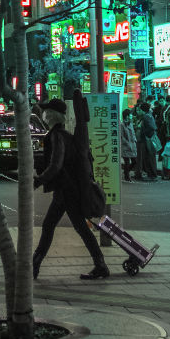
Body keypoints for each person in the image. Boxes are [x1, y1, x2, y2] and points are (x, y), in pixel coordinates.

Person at [32, 97, 109, 282]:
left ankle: (34, 265)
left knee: (62, 226)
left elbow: (56, 164)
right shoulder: (64, 134)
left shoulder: (56, 136)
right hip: (67, 190)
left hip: (66, 191)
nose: (43, 114)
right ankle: (35, 265)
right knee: (72, 227)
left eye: (45, 111)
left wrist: (40, 180)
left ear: (50, 115)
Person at [119, 112, 136, 181]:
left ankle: (126, 172)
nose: (132, 116)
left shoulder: (131, 124)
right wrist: (127, 143)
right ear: (127, 116)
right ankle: (127, 177)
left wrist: (135, 140)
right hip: (125, 146)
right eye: (130, 115)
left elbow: (133, 133)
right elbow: (122, 136)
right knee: (127, 162)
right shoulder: (122, 125)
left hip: (132, 145)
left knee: (134, 161)